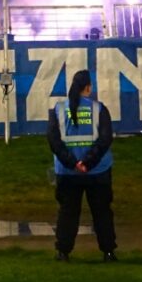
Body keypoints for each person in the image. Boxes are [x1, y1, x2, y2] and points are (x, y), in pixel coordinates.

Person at [48, 69, 116, 262]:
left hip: (67, 172)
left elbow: (53, 140)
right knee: (102, 212)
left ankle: (63, 252)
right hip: (98, 170)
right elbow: (105, 139)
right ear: (88, 88)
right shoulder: (99, 109)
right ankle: (108, 252)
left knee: (68, 213)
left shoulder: (59, 110)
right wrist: (87, 162)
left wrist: (73, 163)